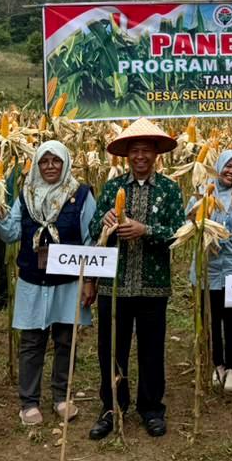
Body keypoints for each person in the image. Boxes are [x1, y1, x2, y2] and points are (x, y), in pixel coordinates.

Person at [87, 119, 185, 439]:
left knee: (151, 349)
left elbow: (179, 234)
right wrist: (104, 222)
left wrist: (146, 230)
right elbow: (93, 230)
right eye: (134, 151)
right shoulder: (112, 188)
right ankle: (111, 407)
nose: (140, 156)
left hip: (152, 285)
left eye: (146, 150)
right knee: (111, 349)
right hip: (113, 285)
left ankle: (151, 408)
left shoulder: (169, 189)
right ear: (127, 155)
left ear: (156, 154)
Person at [0, 139, 96, 426]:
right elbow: (11, 233)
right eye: (44, 161)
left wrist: (90, 280)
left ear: (65, 163)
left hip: (68, 281)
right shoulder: (25, 195)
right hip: (33, 279)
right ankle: (29, 402)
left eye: (56, 161)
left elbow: (90, 238)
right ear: (37, 165)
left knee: (66, 339)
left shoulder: (81, 195)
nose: (50, 166)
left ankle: (62, 397)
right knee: (31, 341)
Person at [185, 149, 232, 394]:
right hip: (208, 268)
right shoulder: (202, 192)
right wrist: (199, 225)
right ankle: (217, 364)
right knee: (211, 319)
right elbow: (189, 222)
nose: (231, 171)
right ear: (218, 167)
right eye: (228, 166)